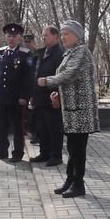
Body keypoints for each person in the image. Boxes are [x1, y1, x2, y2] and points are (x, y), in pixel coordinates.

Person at [37, 20, 100, 198]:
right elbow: (68, 80)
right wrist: (58, 95)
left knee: (78, 149)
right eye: (62, 34)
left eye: (66, 34)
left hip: (81, 110)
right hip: (71, 108)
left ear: (77, 35)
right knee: (72, 147)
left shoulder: (81, 52)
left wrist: (47, 81)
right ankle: (70, 180)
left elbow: (69, 74)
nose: (63, 37)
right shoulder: (70, 53)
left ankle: (78, 184)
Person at [0, 23, 32, 162]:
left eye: (14, 36)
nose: (11, 39)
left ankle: (17, 153)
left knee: (18, 128)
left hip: (17, 98)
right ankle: (1, 152)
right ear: (5, 36)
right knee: (0, 126)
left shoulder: (25, 54)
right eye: (9, 36)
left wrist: (24, 96)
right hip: (2, 97)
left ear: (19, 37)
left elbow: (28, 78)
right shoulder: (1, 52)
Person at [30, 26, 65, 167]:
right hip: (39, 97)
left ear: (55, 36)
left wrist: (57, 97)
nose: (43, 37)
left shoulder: (60, 54)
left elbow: (61, 77)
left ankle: (56, 156)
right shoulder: (42, 52)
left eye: (46, 35)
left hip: (52, 97)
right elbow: (36, 74)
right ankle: (44, 153)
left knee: (54, 129)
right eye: (42, 35)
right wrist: (33, 95)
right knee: (41, 128)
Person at [23, 34, 39, 144]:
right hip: (25, 86)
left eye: (29, 42)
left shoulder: (37, 54)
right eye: (25, 42)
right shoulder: (23, 54)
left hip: (35, 86)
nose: (27, 44)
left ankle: (35, 134)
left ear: (33, 42)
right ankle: (27, 131)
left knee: (35, 112)